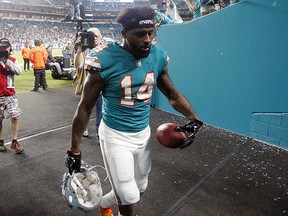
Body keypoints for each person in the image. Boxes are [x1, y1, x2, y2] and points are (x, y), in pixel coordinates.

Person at [65, 6, 203, 216]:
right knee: (129, 199)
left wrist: (194, 120)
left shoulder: (157, 55)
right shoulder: (105, 59)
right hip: (115, 136)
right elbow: (84, 107)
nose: (147, 39)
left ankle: (104, 202)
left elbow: (172, 94)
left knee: (139, 188)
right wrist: (74, 150)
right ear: (124, 34)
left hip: (142, 134)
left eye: (150, 33)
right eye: (140, 34)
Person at [74, 28, 104, 139]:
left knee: (101, 112)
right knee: (85, 110)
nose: (94, 38)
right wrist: (79, 50)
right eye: (91, 35)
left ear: (101, 36)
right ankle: (84, 127)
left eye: (96, 36)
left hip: (102, 87)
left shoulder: (105, 49)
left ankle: (99, 135)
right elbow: (78, 65)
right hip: (88, 87)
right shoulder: (84, 49)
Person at [0, 38, 24, 154]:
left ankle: (14, 142)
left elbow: (19, 71)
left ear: (10, 49)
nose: (4, 49)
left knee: (15, 117)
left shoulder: (12, 60)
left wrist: (6, 61)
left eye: (6, 47)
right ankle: (0, 141)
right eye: (2, 47)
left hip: (10, 94)